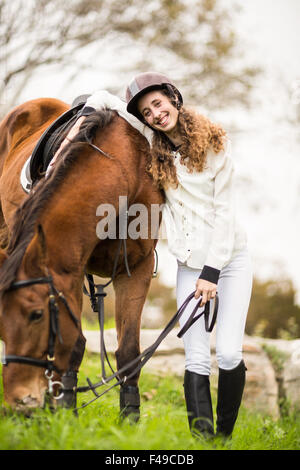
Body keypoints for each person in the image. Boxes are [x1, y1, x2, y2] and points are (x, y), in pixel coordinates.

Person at [48, 72, 253, 439]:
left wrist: (212, 273)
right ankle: (203, 440)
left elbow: (225, 215)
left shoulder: (215, 146)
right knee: (196, 357)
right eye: (146, 112)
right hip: (190, 265)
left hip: (228, 262)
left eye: (158, 104)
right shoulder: (155, 150)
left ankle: (224, 437)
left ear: (174, 99)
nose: (155, 114)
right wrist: (83, 117)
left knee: (228, 354)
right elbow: (104, 98)